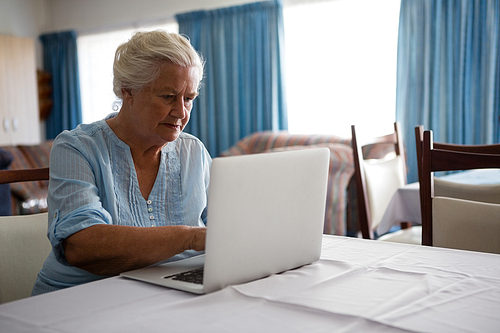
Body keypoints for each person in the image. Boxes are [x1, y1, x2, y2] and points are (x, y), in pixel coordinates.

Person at [32, 30, 210, 295]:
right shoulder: (77, 147)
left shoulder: (194, 151)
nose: (181, 112)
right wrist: (191, 237)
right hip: (82, 296)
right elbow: (82, 246)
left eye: (189, 98)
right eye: (168, 97)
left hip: (166, 292)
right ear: (128, 89)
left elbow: (230, 225)